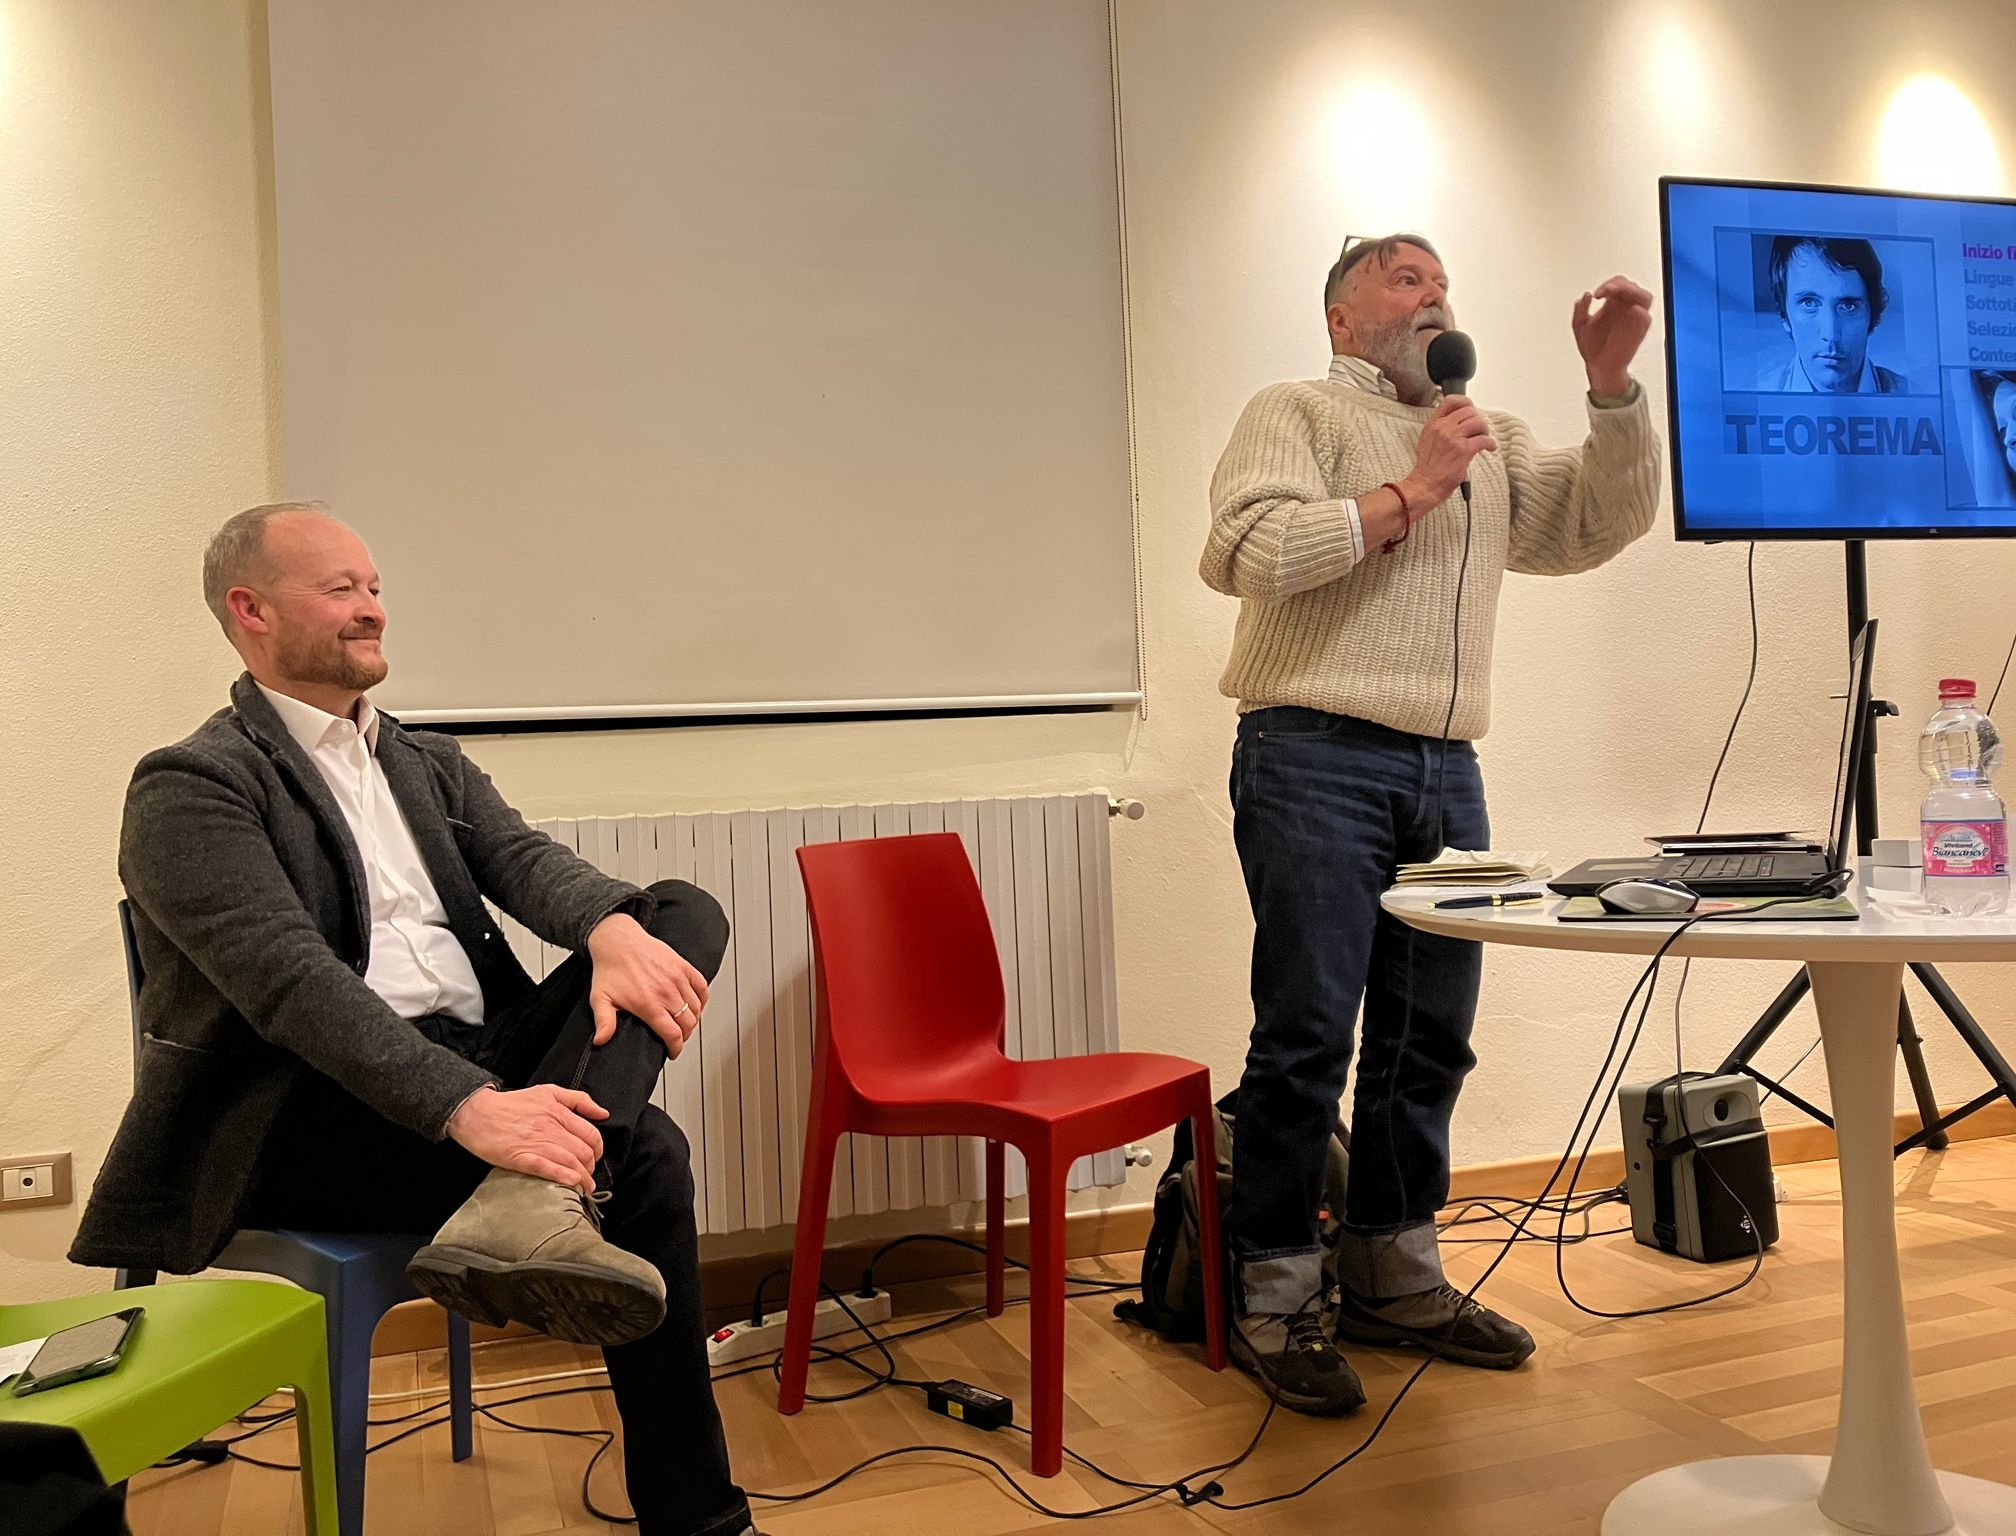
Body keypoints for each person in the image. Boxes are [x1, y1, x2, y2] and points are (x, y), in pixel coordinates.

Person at [70, 503, 762, 1536]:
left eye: (375, 587)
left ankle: (536, 1195)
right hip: (303, 1108)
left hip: (473, 1052)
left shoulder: (423, 760)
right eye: (340, 589)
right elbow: (293, 988)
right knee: (647, 1151)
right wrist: (473, 1109)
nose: (372, 609)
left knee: (676, 912)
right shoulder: (192, 785)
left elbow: (527, 862)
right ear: (251, 610)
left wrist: (610, 929)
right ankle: (699, 1521)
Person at [1199, 234, 1662, 1414]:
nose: (1433, 299)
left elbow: (1597, 525)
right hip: (1311, 752)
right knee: (1308, 1038)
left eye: (1442, 285)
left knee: (1429, 1039)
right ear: (1341, 319)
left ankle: (1394, 1276)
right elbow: (1246, 552)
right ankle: (1273, 1294)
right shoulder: (1297, 410)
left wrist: (1611, 386)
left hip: (1446, 769)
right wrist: (1411, 490)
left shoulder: (1482, 433)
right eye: (1404, 281)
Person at [1761, 235, 1907, 394]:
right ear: (1784, 315)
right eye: (1809, 303)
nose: (1831, 335)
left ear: (1872, 315)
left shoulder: (1914, 398)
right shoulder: (1752, 401)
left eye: (1848, 306)